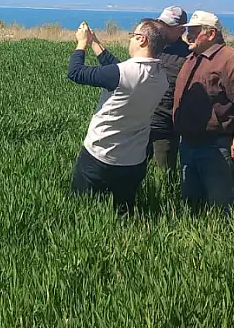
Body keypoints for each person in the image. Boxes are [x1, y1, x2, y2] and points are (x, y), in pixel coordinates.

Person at [67, 19, 170, 215]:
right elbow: (119, 71)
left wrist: (81, 43)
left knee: (82, 211)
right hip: (134, 160)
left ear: (142, 39)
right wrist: (94, 42)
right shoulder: (161, 78)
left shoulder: (123, 74)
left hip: (100, 156)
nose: (130, 39)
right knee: (124, 214)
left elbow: (75, 72)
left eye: (133, 35)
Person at [173, 11, 234, 212]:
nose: (188, 36)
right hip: (188, 143)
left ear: (211, 34)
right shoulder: (193, 58)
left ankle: (224, 238)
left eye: (194, 31)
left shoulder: (233, 62)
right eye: (188, 31)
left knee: (221, 203)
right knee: (192, 203)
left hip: (215, 144)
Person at [147, 6, 191, 177]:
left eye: (167, 25)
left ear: (181, 30)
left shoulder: (187, 56)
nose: (161, 27)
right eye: (160, 23)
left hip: (165, 128)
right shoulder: (150, 47)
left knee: (164, 174)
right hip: (139, 123)